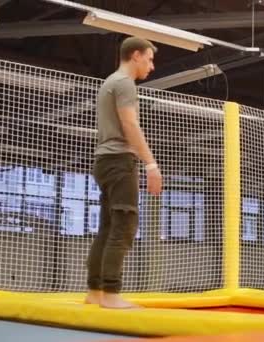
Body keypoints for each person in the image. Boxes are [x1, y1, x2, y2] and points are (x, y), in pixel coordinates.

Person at [85, 36, 163, 309]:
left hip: (104, 162)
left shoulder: (109, 82)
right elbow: (130, 125)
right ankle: (111, 294)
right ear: (136, 55)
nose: (151, 67)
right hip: (119, 161)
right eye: (150, 59)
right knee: (125, 226)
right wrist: (151, 165)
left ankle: (95, 292)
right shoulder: (124, 84)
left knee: (107, 228)